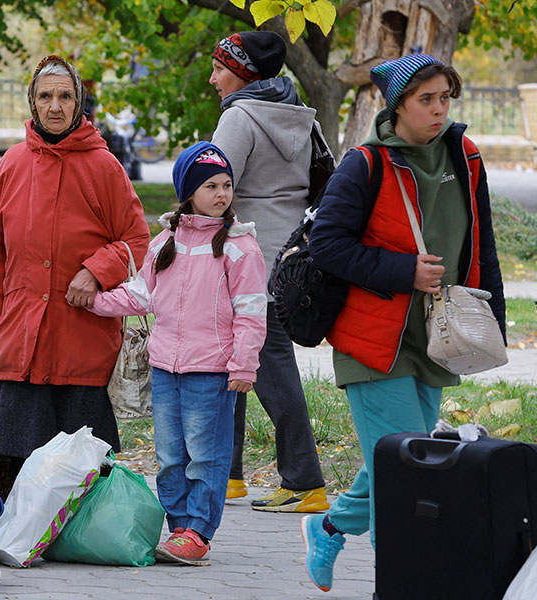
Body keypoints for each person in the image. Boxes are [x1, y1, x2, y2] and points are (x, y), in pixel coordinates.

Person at [300, 54, 505, 591]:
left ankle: (329, 525)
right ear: (396, 106)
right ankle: (394, 583)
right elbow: (326, 246)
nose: (439, 110)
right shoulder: (364, 164)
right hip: (373, 339)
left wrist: (494, 321)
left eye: (445, 98)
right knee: (408, 474)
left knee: (406, 457)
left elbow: (482, 242)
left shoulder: (463, 155)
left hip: (436, 336)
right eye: (426, 100)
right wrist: (403, 270)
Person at [87, 142, 267, 566]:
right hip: (166, 367)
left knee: (206, 454)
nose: (221, 194)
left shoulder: (240, 248)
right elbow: (140, 295)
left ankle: (199, 531)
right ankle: (178, 528)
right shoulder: (165, 241)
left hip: (213, 371)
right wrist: (92, 301)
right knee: (170, 455)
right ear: (189, 192)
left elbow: (252, 312)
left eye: (226, 185)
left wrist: (244, 364)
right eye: (210, 186)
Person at [0, 54, 150, 486]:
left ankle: (79, 541)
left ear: (79, 104)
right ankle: (25, 540)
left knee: (85, 465)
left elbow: (137, 240)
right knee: (20, 462)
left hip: (81, 336)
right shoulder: (13, 162)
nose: (54, 106)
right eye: (45, 96)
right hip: (22, 335)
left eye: (65, 96)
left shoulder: (104, 165)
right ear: (32, 103)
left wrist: (96, 270)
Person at [208, 30, 328, 512]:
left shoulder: (239, 117)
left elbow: (212, 187)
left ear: (243, 73)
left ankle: (305, 480)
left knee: (268, 366)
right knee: (231, 357)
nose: (213, 78)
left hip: (248, 257)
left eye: (220, 68)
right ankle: (229, 473)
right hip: (291, 255)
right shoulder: (299, 114)